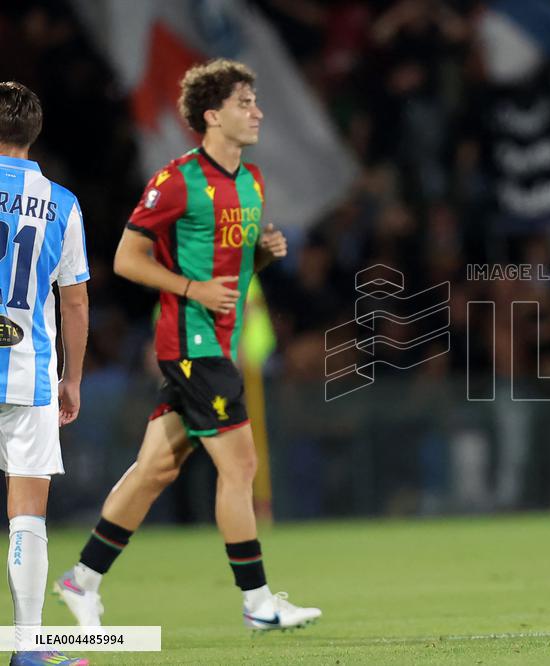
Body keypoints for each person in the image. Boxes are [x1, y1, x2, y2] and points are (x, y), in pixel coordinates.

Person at [52, 60, 321, 631]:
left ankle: (83, 579)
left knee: (154, 468)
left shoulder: (251, 181)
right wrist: (190, 286)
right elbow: (127, 259)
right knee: (241, 465)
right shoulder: (176, 180)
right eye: (245, 102)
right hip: (190, 342)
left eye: (255, 101)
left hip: (217, 343)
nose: (258, 112)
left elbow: (234, 272)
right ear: (212, 114)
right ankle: (257, 603)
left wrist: (264, 256)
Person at [0, 81, 90, 666]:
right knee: (27, 509)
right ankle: (30, 650)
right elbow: (76, 302)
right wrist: (73, 379)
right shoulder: (61, 202)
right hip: (29, 373)